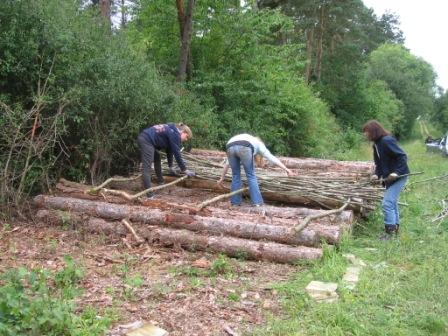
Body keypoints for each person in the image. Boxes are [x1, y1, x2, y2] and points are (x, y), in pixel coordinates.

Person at [217, 134, 295, 206]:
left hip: (230, 145)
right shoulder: (259, 144)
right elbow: (271, 157)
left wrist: (222, 178)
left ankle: (235, 202)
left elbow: (227, 164)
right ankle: (257, 202)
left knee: (235, 175)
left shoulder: (248, 139)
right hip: (245, 146)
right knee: (251, 175)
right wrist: (286, 169)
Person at [362, 120, 410, 240]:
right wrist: (376, 175)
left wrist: (396, 172)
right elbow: (379, 164)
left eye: (366, 132)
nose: (365, 135)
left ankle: (389, 233)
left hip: (399, 177)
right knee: (392, 203)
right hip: (388, 179)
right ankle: (394, 229)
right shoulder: (376, 145)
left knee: (387, 203)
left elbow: (402, 156)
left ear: (373, 131)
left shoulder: (386, 141)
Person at [137, 123, 195, 198]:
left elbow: (169, 150)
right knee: (147, 168)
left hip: (146, 138)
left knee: (157, 158)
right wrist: (184, 170)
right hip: (147, 140)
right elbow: (177, 153)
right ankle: (150, 195)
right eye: (186, 137)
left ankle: (161, 182)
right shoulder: (175, 135)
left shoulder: (173, 129)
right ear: (183, 132)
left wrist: (170, 166)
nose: (186, 139)